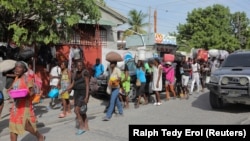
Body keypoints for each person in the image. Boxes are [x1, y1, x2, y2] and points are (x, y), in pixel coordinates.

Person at [8, 61, 45, 141]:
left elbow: (32, 92)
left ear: (24, 69)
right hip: (16, 107)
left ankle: (39, 136)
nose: (16, 69)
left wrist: (24, 95)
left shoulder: (28, 79)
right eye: (16, 67)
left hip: (25, 107)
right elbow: (13, 89)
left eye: (19, 67)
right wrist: (11, 91)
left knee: (26, 126)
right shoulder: (16, 78)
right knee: (12, 128)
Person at [68, 61, 90, 135]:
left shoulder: (85, 73)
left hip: (83, 94)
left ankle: (81, 127)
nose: (79, 66)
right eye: (78, 65)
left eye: (81, 65)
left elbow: (87, 85)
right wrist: (65, 90)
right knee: (82, 111)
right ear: (76, 66)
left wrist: (87, 97)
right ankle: (86, 125)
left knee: (76, 110)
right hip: (76, 94)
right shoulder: (75, 74)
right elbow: (72, 84)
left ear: (83, 65)